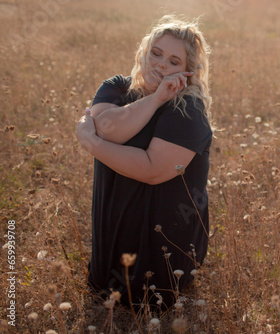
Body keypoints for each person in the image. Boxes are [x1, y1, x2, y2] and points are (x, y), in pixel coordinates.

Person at [75, 15, 212, 311]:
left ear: (187, 72)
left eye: (174, 62)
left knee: (146, 299)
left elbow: (151, 169)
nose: (161, 64)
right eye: (157, 53)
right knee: (102, 283)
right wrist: (152, 100)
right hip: (112, 229)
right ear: (145, 51)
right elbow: (107, 127)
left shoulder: (189, 109)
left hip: (163, 244)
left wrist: (93, 144)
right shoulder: (117, 87)